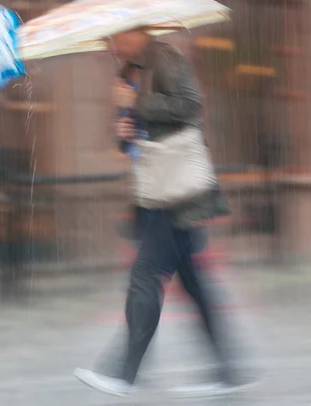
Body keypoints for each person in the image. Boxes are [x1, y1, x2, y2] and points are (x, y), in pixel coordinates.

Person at [74, 29, 254, 397]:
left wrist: (137, 102)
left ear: (138, 30)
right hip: (156, 191)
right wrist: (123, 131)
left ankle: (124, 373)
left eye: (118, 36)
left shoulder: (165, 58)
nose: (113, 44)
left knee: (145, 275)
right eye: (109, 38)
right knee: (193, 283)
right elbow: (135, 138)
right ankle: (230, 370)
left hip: (176, 193)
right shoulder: (128, 71)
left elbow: (190, 105)